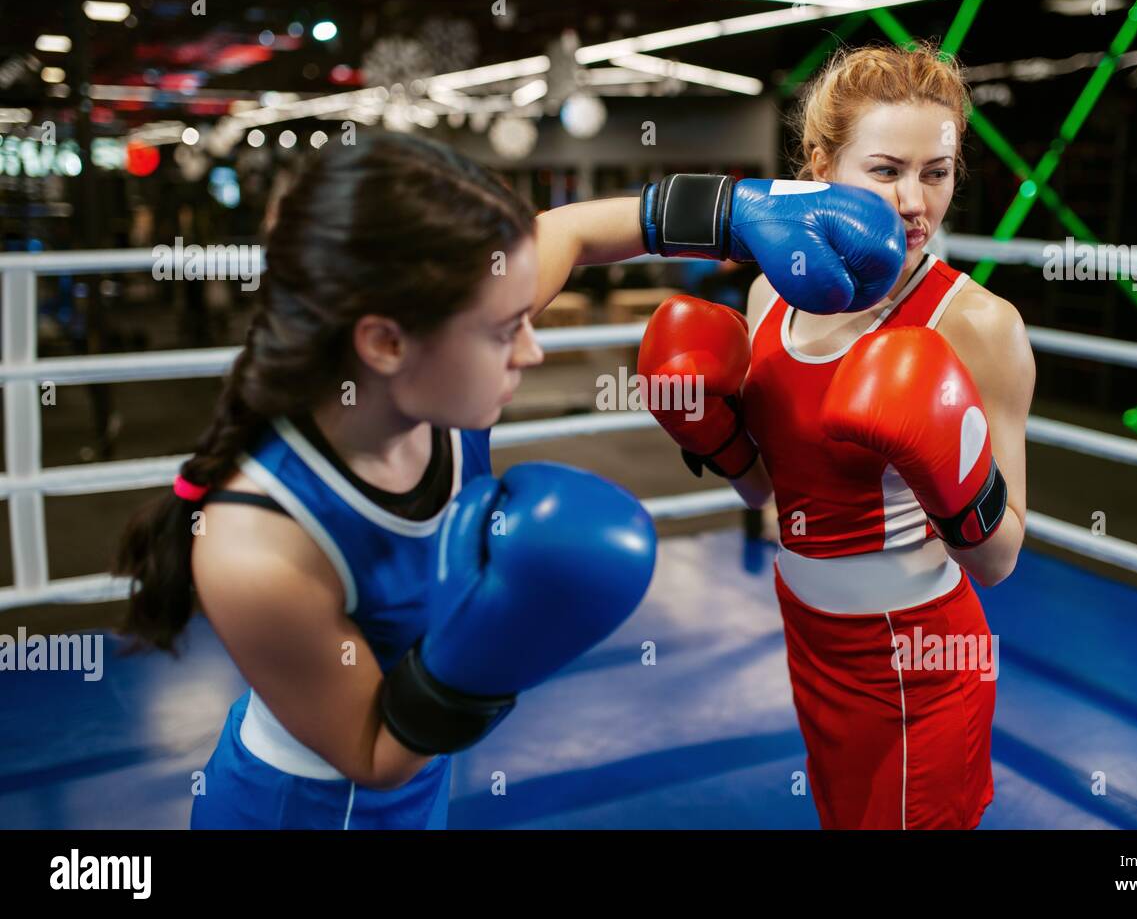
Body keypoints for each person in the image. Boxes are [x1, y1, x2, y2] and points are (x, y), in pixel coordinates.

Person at [112, 131, 907, 829]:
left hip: (417, 795)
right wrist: (502, 637)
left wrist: (742, 207)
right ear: (384, 342)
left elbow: (569, 230)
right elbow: (374, 753)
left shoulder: (443, 381)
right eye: (505, 328)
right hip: (307, 810)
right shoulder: (254, 545)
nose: (529, 351)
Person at [641, 42, 1037, 829]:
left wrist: (950, 476)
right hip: (811, 637)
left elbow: (998, 560)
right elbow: (764, 489)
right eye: (886, 170)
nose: (915, 202)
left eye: (938, 171)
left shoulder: (980, 325)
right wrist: (713, 434)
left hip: (921, 657)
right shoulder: (771, 294)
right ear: (822, 167)